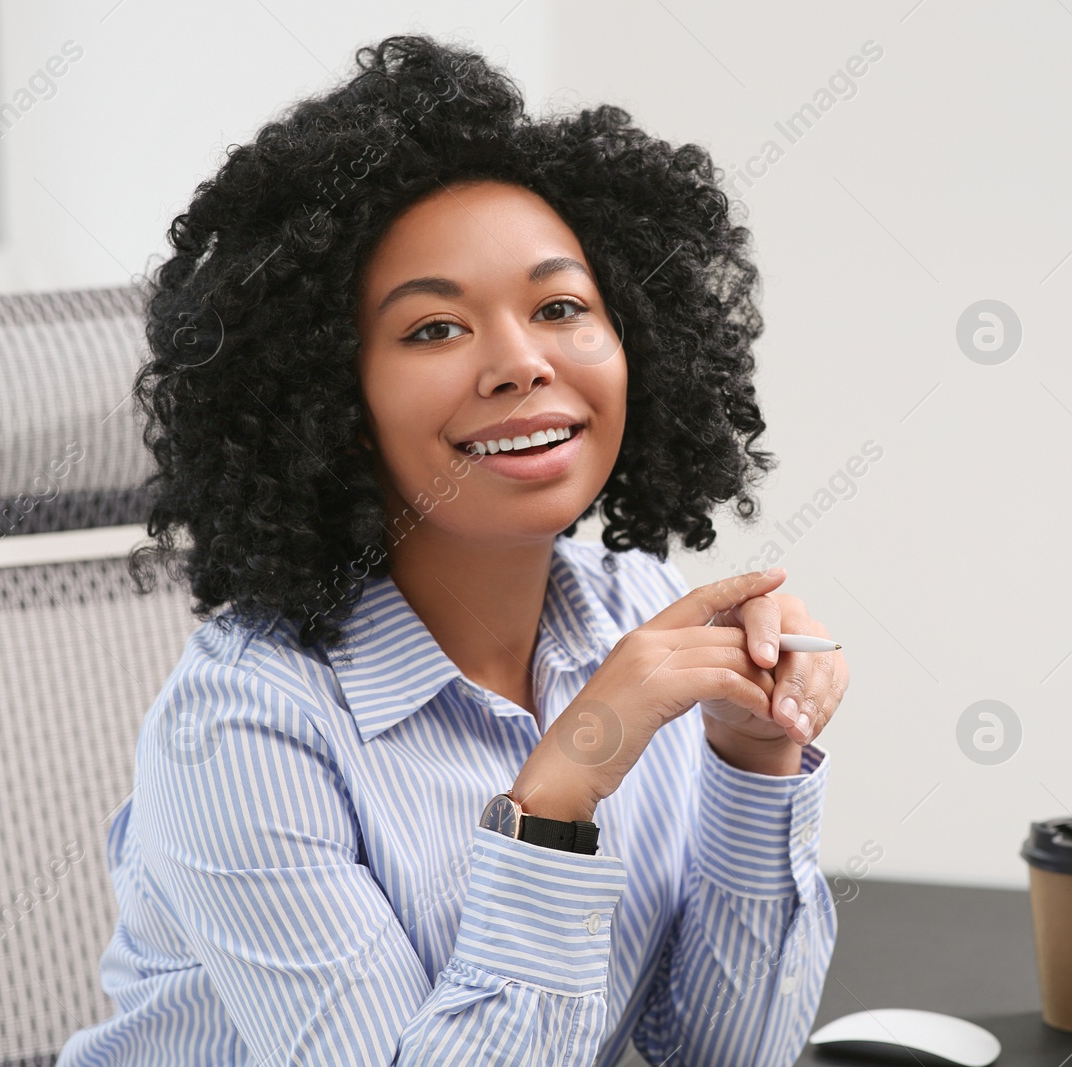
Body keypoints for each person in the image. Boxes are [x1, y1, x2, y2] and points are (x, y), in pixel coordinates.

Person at [58, 33, 846, 1067]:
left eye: (560, 306)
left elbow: (724, 1050)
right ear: (334, 401)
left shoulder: (638, 612)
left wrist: (754, 757)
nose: (521, 361)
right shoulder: (245, 724)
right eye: (434, 329)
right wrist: (563, 787)